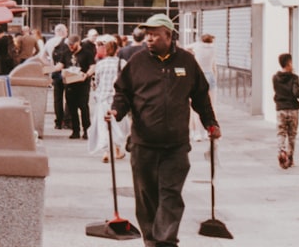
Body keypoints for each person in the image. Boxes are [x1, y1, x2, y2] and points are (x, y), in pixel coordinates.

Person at [108, 13, 220, 247]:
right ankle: (151, 241)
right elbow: (123, 93)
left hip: (176, 145)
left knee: (170, 195)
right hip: (143, 144)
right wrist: (115, 112)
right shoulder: (137, 62)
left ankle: (165, 242)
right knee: (147, 198)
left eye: (155, 35)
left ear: (168, 36)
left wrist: (211, 123)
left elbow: (200, 95)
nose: (149, 39)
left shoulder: (187, 62)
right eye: (147, 34)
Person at [87, 38, 127, 162]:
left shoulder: (100, 64)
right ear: (117, 50)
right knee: (118, 126)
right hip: (116, 98)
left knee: (103, 125)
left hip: (102, 98)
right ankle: (117, 149)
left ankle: (105, 151)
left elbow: (97, 81)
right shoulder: (122, 63)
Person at [273, 52, 299, 169]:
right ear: (289, 63)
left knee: (281, 132)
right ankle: (290, 158)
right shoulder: (294, 78)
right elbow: (296, 92)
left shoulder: (275, 78)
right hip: (293, 110)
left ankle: (281, 151)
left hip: (281, 109)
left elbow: (277, 91)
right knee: (292, 135)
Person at [64, 34, 94, 139]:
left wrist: (87, 75)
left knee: (83, 107)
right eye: (69, 45)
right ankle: (75, 131)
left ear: (78, 42)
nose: (70, 47)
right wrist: (51, 69)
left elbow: (92, 66)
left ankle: (86, 130)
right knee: (72, 108)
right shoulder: (67, 53)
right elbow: (61, 65)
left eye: (72, 45)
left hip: (82, 84)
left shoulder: (86, 53)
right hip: (70, 84)